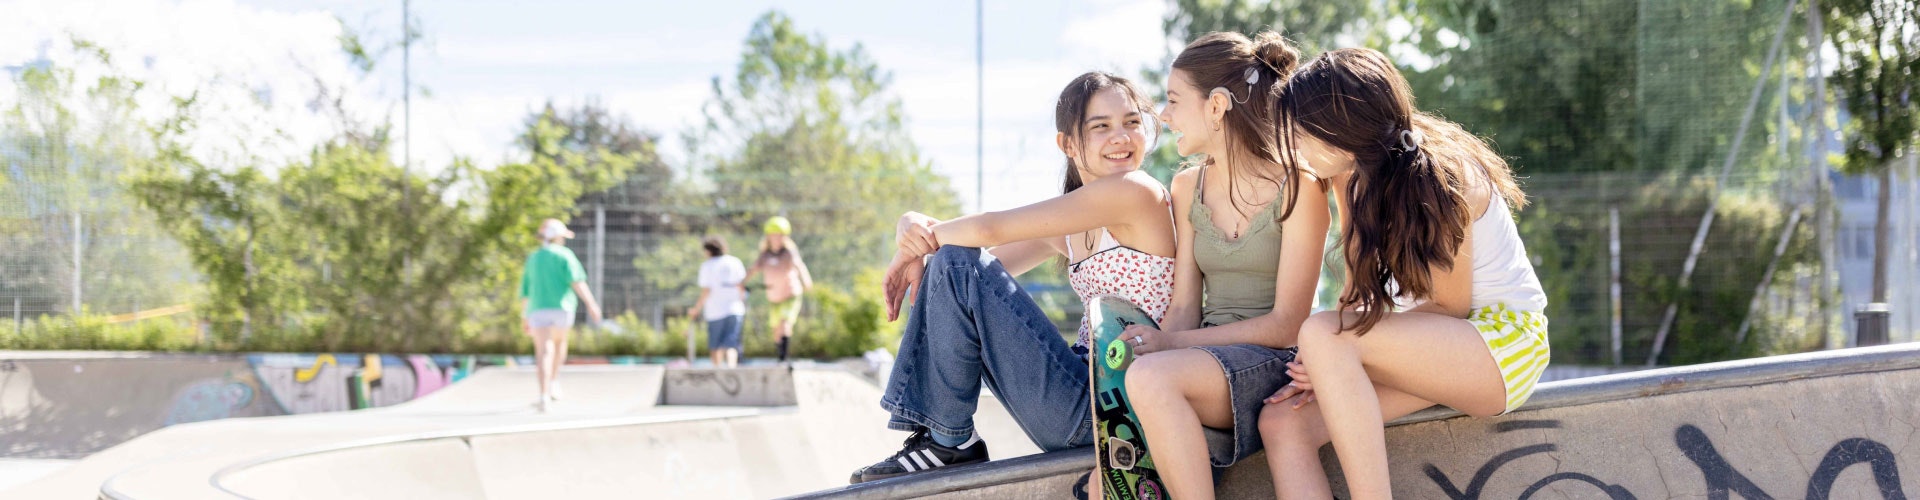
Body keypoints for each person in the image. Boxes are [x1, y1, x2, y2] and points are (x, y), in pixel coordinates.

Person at [847, 71, 1177, 486]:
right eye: (1101, 127)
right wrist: (913, 230)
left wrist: (914, 240)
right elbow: (966, 281)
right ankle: (946, 439)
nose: (1122, 137)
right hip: (1080, 389)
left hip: (1119, 405)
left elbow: (987, 232)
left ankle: (950, 441)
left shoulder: (1137, 191)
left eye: (1132, 122)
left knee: (953, 260)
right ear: (1068, 144)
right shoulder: (1072, 221)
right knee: (951, 264)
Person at [1256, 47, 1549, 500]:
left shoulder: (1444, 180)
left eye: (1299, 132)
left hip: (1500, 345)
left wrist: (1336, 349)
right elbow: (1356, 296)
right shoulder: (1349, 174)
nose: (1293, 145)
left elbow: (1449, 309)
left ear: (1338, 132)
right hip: (1426, 348)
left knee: (1323, 335)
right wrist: (1326, 363)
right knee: (1283, 422)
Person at [1114, 31, 1329, 499]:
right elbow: (1186, 305)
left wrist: (1170, 345)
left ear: (1216, 106)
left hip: (1275, 365)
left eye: (1173, 100)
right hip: (1203, 361)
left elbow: (1286, 325)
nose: (1164, 116)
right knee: (1111, 456)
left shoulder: (1301, 189)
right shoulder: (1187, 186)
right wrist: (1157, 343)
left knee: (1151, 377)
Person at [519, 218, 603, 412]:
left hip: (538, 309)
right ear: (556, 237)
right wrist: (591, 304)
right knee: (559, 344)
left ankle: (543, 395)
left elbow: (525, 291)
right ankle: (554, 381)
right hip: (562, 309)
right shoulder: (565, 255)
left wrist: (525, 316)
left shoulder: (533, 258)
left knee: (543, 352)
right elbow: (577, 282)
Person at [745, 216, 813, 362]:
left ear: (784, 237)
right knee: (776, 331)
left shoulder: (788, 253)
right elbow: (753, 269)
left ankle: (784, 358)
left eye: (779, 235)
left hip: (790, 294)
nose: (776, 238)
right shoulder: (765, 255)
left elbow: (799, 265)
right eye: (773, 235)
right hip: (774, 297)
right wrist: (741, 283)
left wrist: (806, 281)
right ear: (768, 237)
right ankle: (780, 355)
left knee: (785, 324)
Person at [688, 236, 747, 368]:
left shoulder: (707, 266)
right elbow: (741, 286)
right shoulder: (735, 262)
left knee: (715, 345)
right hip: (735, 309)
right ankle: (732, 368)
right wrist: (742, 301)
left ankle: (717, 370)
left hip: (715, 312)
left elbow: (706, 290)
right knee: (731, 344)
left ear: (708, 251)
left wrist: (696, 308)